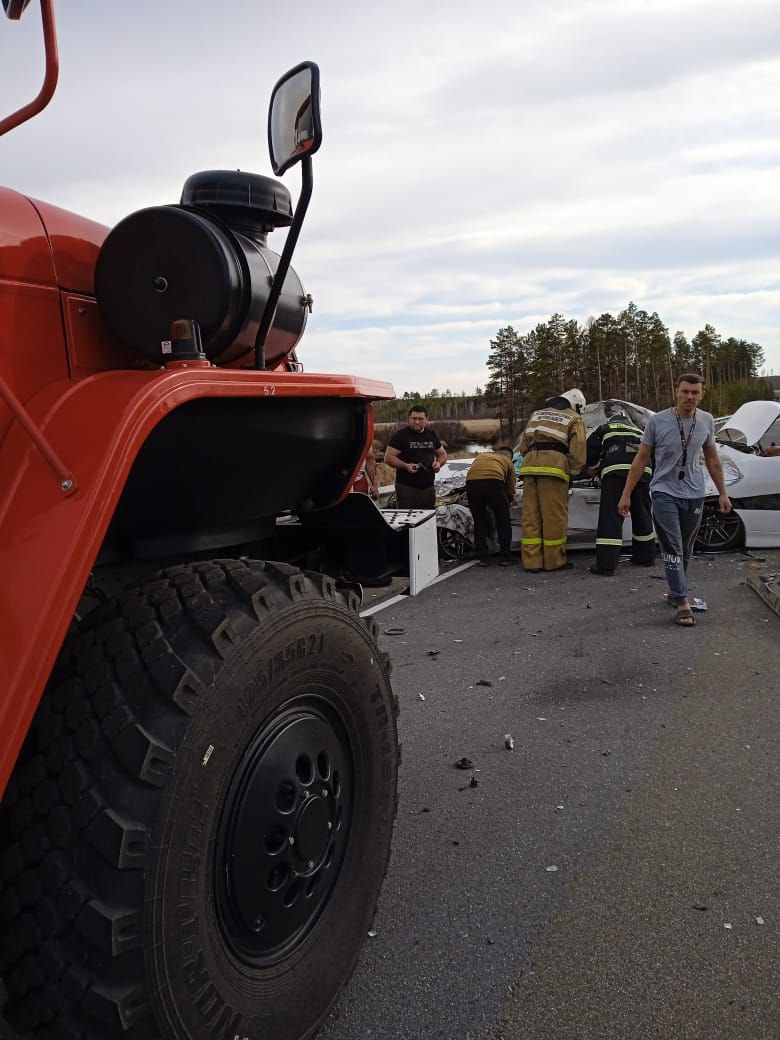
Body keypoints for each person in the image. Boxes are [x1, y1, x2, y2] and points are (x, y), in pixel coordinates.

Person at [617, 373, 732, 627]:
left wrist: (722, 492)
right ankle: (681, 602)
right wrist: (626, 494)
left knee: (687, 549)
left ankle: (673, 590)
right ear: (676, 391)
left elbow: (712, 459)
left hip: (695, 494)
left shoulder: (706, 421)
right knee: (673, 548)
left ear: (701, 394)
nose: (689, 396)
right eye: (685, 391)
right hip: (664, 492)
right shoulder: (657, 421)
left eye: (695, 392)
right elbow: (641, 459)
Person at [518, 389, 587, 572]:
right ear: (577, 404)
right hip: (554, 469)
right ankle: (554, 561)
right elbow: (578, 450)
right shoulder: (574, 418)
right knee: (554, 518)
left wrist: (533, 458)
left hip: (529, 467)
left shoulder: (537, 414)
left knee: (531, 517)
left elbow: (523, 445)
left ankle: (532, 562)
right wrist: (572, 472)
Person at [586, 409, 655, 575]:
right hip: (642, 472)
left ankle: (606, 565)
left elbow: (590, 451)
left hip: (615, 472)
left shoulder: (605, 428)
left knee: (611, 517)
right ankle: (645, 557)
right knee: (642, 514)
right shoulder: (639, 431)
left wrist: (593, 466)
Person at [384, 405, 447, 509]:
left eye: (420, 419)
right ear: (409, 418)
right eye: (414, 418)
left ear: (427, 419)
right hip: (407, 488)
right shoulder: (401, 436)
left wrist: (439, 463)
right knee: (407, 521)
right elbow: (388, 457)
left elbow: (442, 454)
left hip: (429, 488)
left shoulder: (431, 435)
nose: (417, 422)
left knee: (427, 520)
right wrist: (406, 466)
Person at [465, 446, 516, 566]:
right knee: (503, 521)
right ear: (510, 457)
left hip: (472, 484)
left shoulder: (481, 456)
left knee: (479, 521)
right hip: (493, 482)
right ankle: (505, 557)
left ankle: (482, 557)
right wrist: (507, 501)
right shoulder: (508, 461)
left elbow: (473, 472)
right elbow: (510, 486)